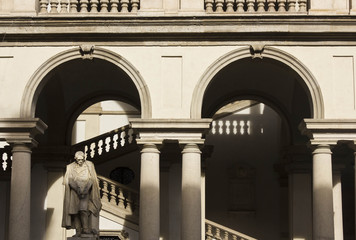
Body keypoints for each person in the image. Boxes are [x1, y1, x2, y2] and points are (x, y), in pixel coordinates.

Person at [62, 151, 102, 237]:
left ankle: (86, 229)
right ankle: (78, 230)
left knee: (83, 210)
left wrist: (85, 190)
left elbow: (92, 179)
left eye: (81, 160)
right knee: (74, 212)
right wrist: (77, 189)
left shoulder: (89, 165)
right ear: (75, 159)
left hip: (86, 192)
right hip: (74, 192)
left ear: (84, 158)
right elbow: (69, 180)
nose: (80, 161)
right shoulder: (70, 167)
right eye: (78, 160)